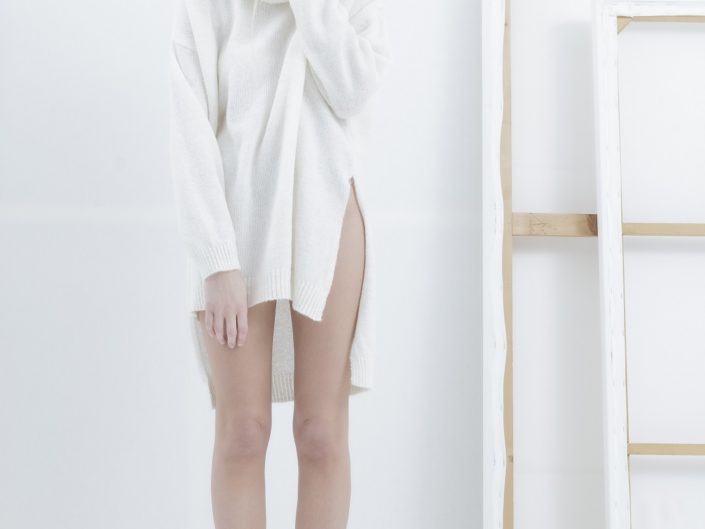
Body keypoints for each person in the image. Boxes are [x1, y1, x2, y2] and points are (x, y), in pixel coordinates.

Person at [168, 0, 389, 527]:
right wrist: (217, 260)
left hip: (329, 215)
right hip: (235, 224)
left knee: (321, 434)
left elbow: (354, 90)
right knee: (242, 433)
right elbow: (188, 128)